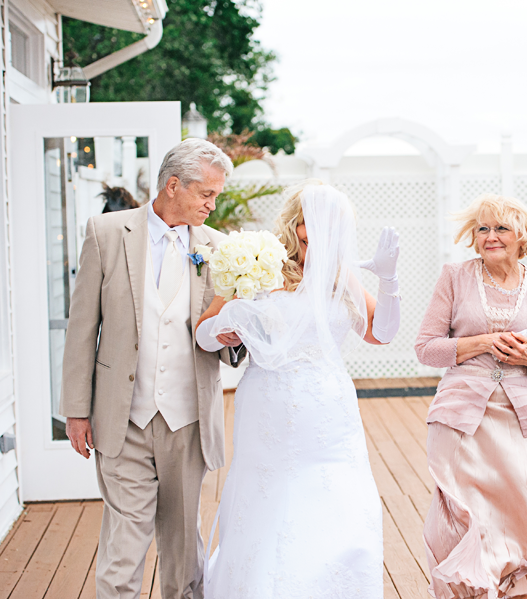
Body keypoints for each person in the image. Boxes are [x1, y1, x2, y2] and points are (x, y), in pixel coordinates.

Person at [60, 138, 246, 599]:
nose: (212, 204)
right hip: (123, 419)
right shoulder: (106, 233)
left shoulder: (218, 248)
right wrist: (77, 410)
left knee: (185, 553)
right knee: (124, 549)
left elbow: (220, 340)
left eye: (217, 195)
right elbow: (83, 328)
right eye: (206, 194)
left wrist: (235, 340)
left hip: (188, 422)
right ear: (173, 184)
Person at [196, 180, 401, 598]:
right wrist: (226, 331)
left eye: (323, 233)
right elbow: (202, 333)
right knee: (266, 492)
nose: (311, 244)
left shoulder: (341, 277)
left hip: (328, 407)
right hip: (267, 403)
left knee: (333, 493)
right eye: (305, 231)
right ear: (293, 225)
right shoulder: (259, 265)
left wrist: (389, 279)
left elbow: (382, 334)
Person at [415, 193, 527, 599]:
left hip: (525, 416)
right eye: (483, 229)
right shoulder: (454, 277)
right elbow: (426, 348)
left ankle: (518, 589)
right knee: (471, 515)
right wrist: (479, 343)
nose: (491, 236)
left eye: (501, 228)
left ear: (522, 236)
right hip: (463, 417)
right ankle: (479, 587)